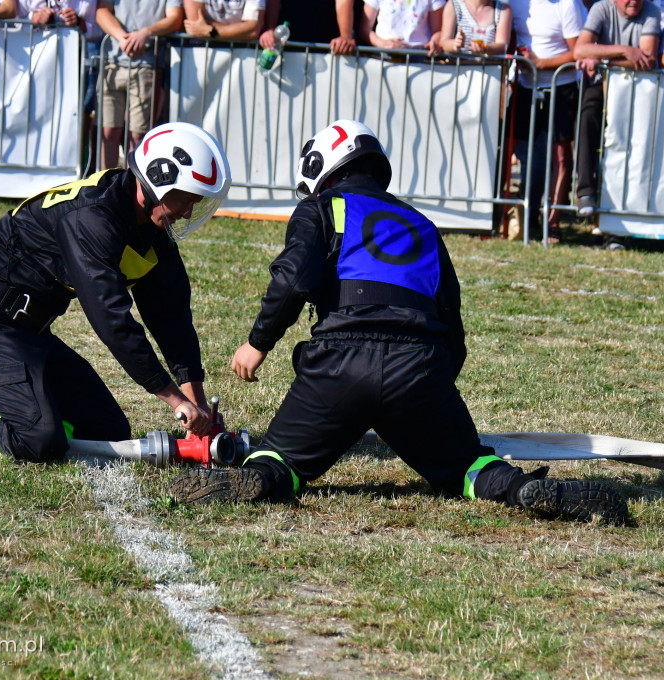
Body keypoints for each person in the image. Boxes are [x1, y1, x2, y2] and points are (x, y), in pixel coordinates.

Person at [168, 119, 630, 525]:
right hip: (419, 366)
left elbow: (293, 279)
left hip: (339, 364)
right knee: (469, 467)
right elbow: (452, 320)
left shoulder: (323, 207)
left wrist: (257, 343)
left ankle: (257, 481)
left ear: (320, 168)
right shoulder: (421, 223)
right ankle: (519, 489)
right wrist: (432, 390)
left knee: (279, 459)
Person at [0, 122, 231, 462]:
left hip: (27, 331)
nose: (188, 211)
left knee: (106, 431)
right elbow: (111, 320)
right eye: (186, 199)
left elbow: (171, 319)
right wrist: (173, 400)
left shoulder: (149, 225)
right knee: (38, 440)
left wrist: (197, 404)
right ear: (158, 179)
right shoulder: (93, 218)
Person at [573, 0, 662, 216]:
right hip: (602, 85)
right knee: (587, 117)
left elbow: (648, 58)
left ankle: (628, 203)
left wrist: (602, 58)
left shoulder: (651, 11)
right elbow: (580, 49)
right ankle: (585, 191)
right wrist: (626, 51)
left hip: (638, 90)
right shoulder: (601, 9)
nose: (634, 2)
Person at [505, 0, 585, 235]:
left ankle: (552, 223)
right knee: (509, 148)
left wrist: (541, 63)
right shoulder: (516, 4)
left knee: (560, 155)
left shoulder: (568, 5)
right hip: (524, 86)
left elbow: (578, 52)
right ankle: (501, 217)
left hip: (562, 86)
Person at [95, 0, 184, 171]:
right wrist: (122, 37)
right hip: (111, 65)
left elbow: (175, 18)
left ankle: (131, 190)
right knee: (108, 132)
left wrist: (145, 33)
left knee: (138, 135)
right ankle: (105, 189)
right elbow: (101, 12)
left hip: (147, 66)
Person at [260, 0, 358, 55]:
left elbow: (344, 2)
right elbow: (273, 2)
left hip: (328, 48)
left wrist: (345, 36)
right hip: (287, 44)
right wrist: (270, 30)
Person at [359, 0, 446, 56]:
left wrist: (434, 43)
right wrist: (382, 43)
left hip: (419, 59)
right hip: (383, 57)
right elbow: (364, 29)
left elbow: (438, 31)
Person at [438, 0, 512, 55]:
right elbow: (443, 42)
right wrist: (455, 44)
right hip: (457, 70)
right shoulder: (453, 5)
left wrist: (485, 48)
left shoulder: (503, 10)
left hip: (490, 71)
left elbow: (503, 46)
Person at [183, 0, 265, 40]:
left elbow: (253, 30)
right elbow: (196, 23)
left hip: (241, 52)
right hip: (202, 48)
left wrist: (211, 31)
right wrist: (239, 30)